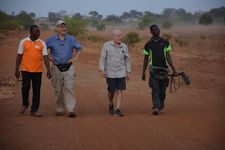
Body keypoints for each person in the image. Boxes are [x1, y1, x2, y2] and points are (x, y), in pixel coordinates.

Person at [46, 20, 81, 118]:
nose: (63, 29)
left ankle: (71, 110)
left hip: (69, 67)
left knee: (69, 88)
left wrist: (74, 59)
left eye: (64, 27)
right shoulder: (51, 40)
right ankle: (59, 109)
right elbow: (45, 50)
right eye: (61, 27)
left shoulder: (71, 39)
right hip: (56, 66)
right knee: (58, 89)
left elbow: (79, 48)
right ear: (57, 28)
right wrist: (49, 56)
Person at [15, 24, 51, 117]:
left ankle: (34, 110)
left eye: (39, 31)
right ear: (31, 32)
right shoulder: (23, 42)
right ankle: (25, 103)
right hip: (25, 69)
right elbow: (19, 56)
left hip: (38, 70)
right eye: (36, 31)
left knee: (36, 90)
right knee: (25, 87)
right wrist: (16, 69)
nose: (38, 33)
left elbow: (45, 57)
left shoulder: (42, 43)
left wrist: (48, 70)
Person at [142, 24, 177, 115]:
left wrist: (174, 69)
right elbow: (146, 59)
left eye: (158, 29)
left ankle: (161, 105)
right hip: (153, 70)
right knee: (155, 89)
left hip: (164, 70)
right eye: (154, 30)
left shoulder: (165, 42)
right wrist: (143, 72)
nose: (157, 31)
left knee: (162, 90)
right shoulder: (148, 45)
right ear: (151, 32)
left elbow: (168, 56)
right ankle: (156, 107)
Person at [99, 29, 131, 117]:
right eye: (118, 36)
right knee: (111, 91)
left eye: (121, 35)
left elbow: (127, 59)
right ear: (113, 37)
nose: (120, 37)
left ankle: (117, 109)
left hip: (121, 71)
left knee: (120, 90)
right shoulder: (106, 45)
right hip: (110, 72)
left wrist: (128, 71)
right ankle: (111, 103)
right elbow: (102, 58)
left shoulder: (124, 46)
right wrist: (102, 69)